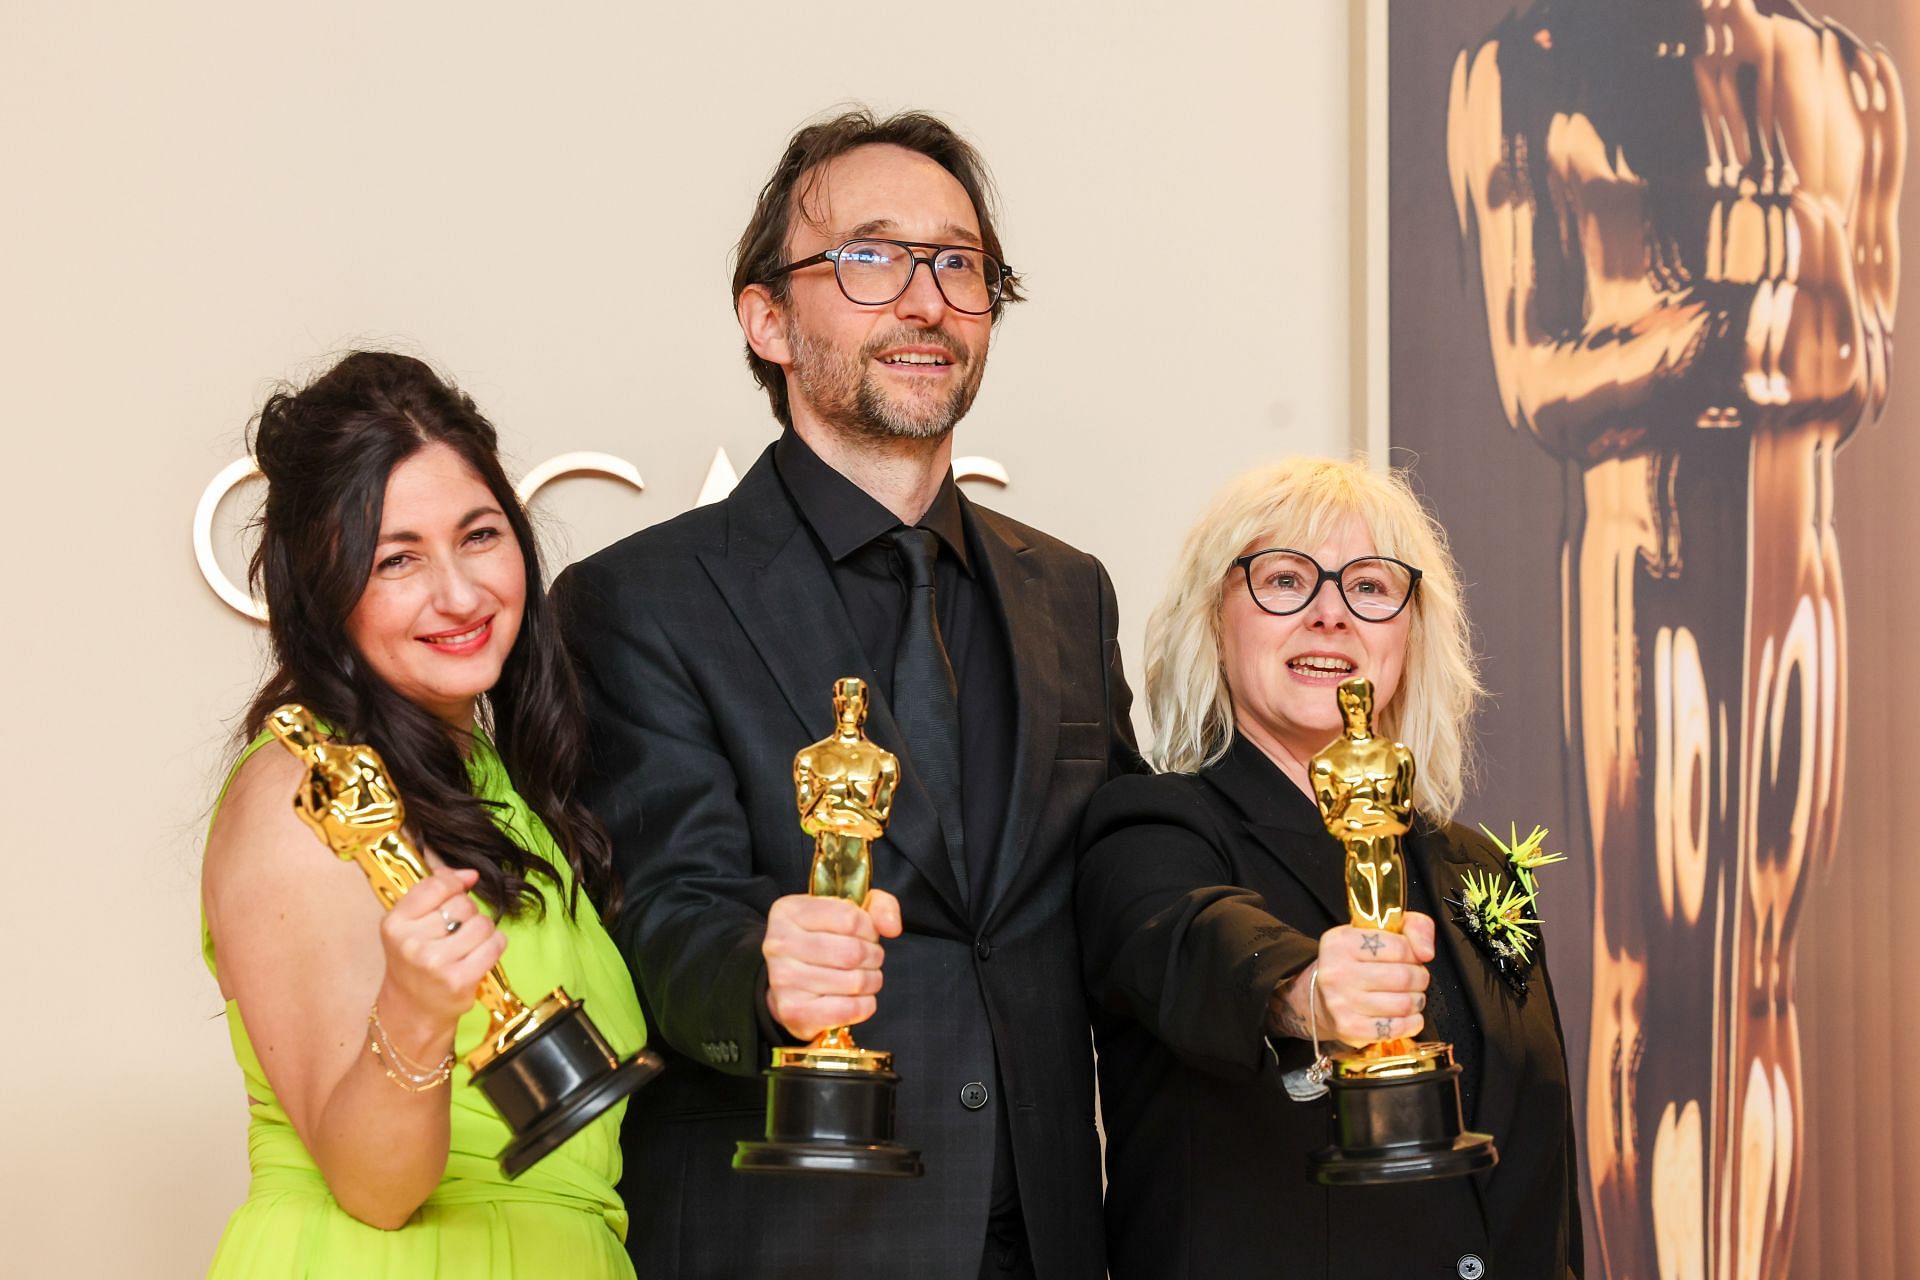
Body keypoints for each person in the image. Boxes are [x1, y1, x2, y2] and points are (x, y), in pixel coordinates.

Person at [554, 108, 1137, 1280]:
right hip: (789, 1238)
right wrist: (760, 968)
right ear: (767, 318)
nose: (925, 301)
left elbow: (1122, 895)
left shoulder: (1068, 591)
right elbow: (662, 911)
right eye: (870, 257)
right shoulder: (638, 598)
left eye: (958, 264)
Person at [1446, 6, 1902, 1272]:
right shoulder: (1520, 70)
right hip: (1638, 556)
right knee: (1654, 964)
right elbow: (1539, 374)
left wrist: (1712, 327)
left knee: (1762, 967)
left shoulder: (1853, 76)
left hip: (1798, 564)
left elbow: (1861, 357)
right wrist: (1738, 323)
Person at [1075, 458, 1581, 1279]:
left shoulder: (1479, 870)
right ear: (1214, 620)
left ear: (1412, 632)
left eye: (1371, 588)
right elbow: (1196, 946)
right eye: (1285, 580)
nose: (1330, 616)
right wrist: (1306, 990)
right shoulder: (1153, 829)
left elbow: (1541, 1183)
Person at [200, 351, 647, 1277]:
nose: (459, 593)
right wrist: (413, 1011)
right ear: (323, 592)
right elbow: (373, 1186)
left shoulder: (488, 775)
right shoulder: (302, 795)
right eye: (397, 557)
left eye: (478, 535)